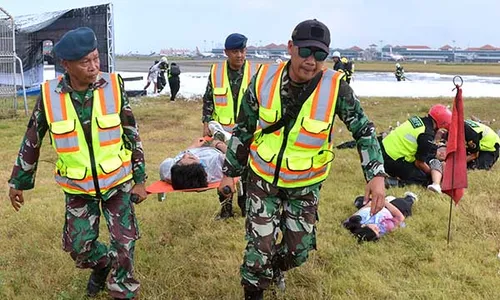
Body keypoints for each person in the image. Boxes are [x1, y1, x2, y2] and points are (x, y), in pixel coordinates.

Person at [217, 19, 387, 299]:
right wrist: (229, 172)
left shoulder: (335, 87)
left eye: (320, 55)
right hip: (262, 180)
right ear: (291, 48)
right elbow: (244, 129)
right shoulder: (263, 79)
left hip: (305, 186)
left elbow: (363, 129)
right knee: (258, 249)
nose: (311, 61)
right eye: (306, 52)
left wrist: (376, 175)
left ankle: (275, 270)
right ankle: (254, 287)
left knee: (299, 251)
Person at [7, 27, 147, 300]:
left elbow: (133, 134)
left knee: (124, 243)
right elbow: (32, 139)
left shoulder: (114, 86)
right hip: (78, 188)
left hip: (117, 183)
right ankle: (102, 264)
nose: (94, 66)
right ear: (66, 65)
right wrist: (18, 182)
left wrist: (140, 180)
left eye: (96, 58)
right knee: (79, 248)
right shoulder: (49, 97)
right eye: (85, 62)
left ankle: (123, 291)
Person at [201, 33, 258, 223]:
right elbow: (208, 98)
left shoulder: (255, 71)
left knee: (248, 171)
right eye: (235, 51)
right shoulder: (216, 71)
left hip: (248, 132)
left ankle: (245, 207)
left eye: (242, 51)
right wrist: (205, 122)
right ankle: (225, 209)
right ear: (226, 52)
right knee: (223, 169)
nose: (240, 55)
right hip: (222, 134)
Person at [159, 121, 244, 218]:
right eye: (191, 158)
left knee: (198, 143)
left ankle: (217, 133)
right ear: (200, 167)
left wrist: (192, 147)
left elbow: (178, 158)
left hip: (198, 149)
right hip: (213, 150)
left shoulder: (169, 171)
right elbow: (234, 157)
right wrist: (219, 144)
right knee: (216, 138)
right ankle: (219, 134)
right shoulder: (216, 166)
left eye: (181, 160)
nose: (187, 155)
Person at [381, 104, 452, 192]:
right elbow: (419, 163)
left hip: (382, 150)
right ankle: (392, 182)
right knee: (423, 178)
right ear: (443, 123)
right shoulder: (427, 135)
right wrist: (433, 173)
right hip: (392, 159)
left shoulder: (417, 120)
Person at [344, 192, 418, 242]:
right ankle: (410, 198)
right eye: (378, 233)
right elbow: (400, 217)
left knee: (359, 201)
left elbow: (365, 207)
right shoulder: (385, 228)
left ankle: (388, 199)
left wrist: (375, 202)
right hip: (390, 210)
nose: (378, 230)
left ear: (364, 226)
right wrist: (384, 202)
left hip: (375, 206)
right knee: (403, 204)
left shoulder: (355, 221)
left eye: (375, 229)